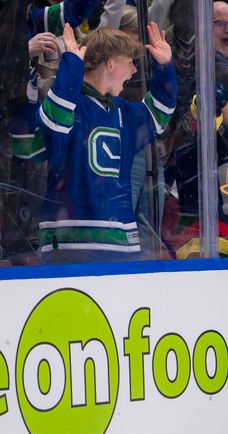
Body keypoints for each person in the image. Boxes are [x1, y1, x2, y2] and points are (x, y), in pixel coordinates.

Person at [36, 22, 176, 264]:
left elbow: (159, 114)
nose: (134, 70)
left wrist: (164, 67)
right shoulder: (71, 104)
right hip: (71, 243)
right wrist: (70, 65)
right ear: (110, 64)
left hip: (120, 242)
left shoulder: (124, 111)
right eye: (129, 62)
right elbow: (55, 120)